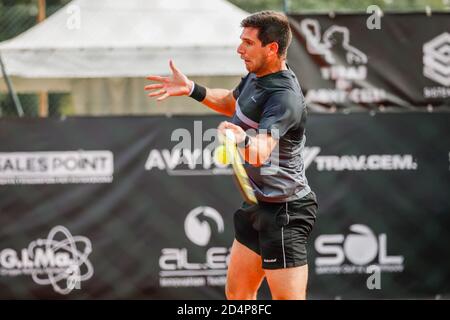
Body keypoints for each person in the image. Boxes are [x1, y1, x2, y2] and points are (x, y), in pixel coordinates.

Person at [145, 11, 318, 300]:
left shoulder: (284, 97)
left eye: (248, 43)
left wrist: (241, 137)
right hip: (258, 205)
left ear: (272, 48)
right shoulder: (256, 75)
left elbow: (262, 152)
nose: (240, 49)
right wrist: (192, 89)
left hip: (286, 211)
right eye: (241, 41)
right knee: (238, 295)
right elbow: (232, 104)